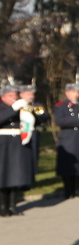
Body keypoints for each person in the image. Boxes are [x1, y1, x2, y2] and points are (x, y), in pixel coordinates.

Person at [53, 82, 79, 200]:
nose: (77, 94)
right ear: (67, 93)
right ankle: (68, 190)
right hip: (68, 136)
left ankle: (76, 189)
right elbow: (60, 121)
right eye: (74, 92)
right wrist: (78, 118)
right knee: (68, 164)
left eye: (78, 92)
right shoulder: (61, 106)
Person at [0, 84, 33, 216]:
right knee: (3, 175)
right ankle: (3, 207)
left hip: (17, 142)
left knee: (15, 174)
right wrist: (13, 108)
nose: (14, 98)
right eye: (10, 95)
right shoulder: (3, 107)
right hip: (3, 142)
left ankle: (13, 206)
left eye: (15, 95)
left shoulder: (21, 108)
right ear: (2, 97)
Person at [17, 83, 48, 188]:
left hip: (34, 132)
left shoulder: (36, 105)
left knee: (33, 156)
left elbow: (45, 116)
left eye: (32, 94)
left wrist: (35, 114)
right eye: (28, 94)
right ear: (21, 94)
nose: (31, 96)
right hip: (21, 133)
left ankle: (31, 179)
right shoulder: (17, 104)